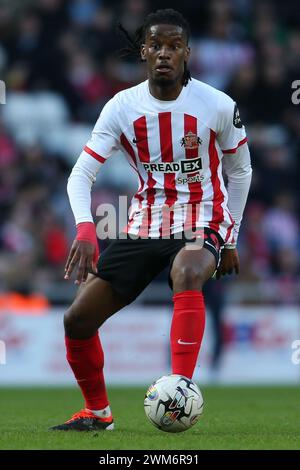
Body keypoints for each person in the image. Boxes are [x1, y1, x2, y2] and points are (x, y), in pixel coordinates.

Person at [49, 8, 252, 432]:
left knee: (187, 269)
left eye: (174, 46)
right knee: (77, 319)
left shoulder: (217, 105)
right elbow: (81, 173)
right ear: (143, 51)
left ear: (187, 54)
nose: (164, 53)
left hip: (202, 218)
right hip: (145, 222)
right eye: (156, 45)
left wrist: (229, 238)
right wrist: (86, 228)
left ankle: (180, 388)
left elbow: (240, 171)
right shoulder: (121, 107)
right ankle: (97, 413)